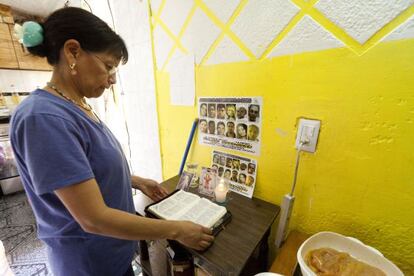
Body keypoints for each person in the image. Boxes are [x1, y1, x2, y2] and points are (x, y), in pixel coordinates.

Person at [9, 8, 213, 276]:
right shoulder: (44, 118)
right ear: (72, 52)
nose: (113, 79)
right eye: (108, 66)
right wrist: (176, 229)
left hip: (112, 253)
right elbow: (93, 218)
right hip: (88, 264)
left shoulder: (77, 105)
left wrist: (136, 180)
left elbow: (85, 170)